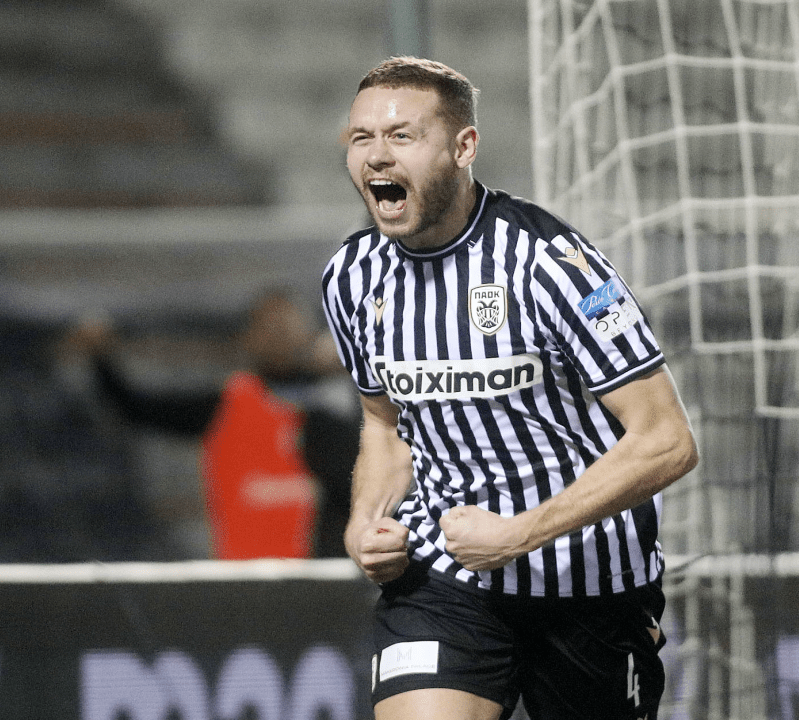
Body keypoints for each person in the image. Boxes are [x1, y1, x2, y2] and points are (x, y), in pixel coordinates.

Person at [320, 57, 699, 720]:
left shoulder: (551, 264)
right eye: (361, 138)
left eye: (402, 136)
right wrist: (362, 524)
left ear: (463, 146)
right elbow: (386, 427)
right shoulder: (351, 277)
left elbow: (668, 441)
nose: (377, 156)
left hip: (589, 584)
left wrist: (520, 534)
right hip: (445, 580)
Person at [69, 288, 358, 558]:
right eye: (269, 326)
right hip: (247, 572)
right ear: (247, 337)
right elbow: (136, 408)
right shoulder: (229, 404)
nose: (279, 335)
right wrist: (100, 358)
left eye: (288, 325)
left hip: (330, 569)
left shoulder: (341, 398)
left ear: (311, 333)